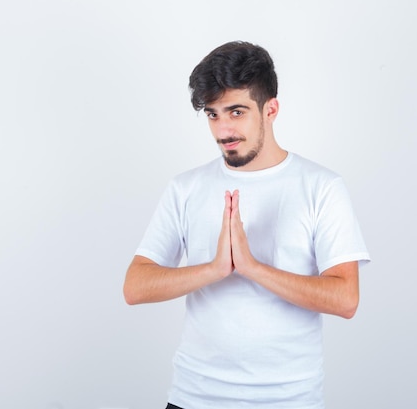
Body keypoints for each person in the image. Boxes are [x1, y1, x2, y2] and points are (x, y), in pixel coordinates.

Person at [123, 41, 370, 409]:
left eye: (236, 112)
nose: (223, 130)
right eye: (213, 114)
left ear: (271, 109)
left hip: (289, 401)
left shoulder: (321, 187)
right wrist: (214, 269)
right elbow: (135, 287)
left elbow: (345, 299)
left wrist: (252, 268)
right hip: (194, 398)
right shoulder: (186, 187)